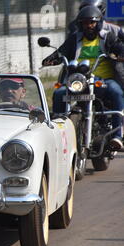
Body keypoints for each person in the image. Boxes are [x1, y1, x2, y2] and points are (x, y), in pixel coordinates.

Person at [43, 6, 124, 151]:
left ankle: (117, 136)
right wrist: (51, 59)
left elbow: (119, 48)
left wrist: (120, 54)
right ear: (80, 24)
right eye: (86, 23)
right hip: (78, 80)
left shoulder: (107, 36)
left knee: (116, 91)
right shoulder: (75, 38)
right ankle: (56, 135)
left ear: (98, 23)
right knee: (59, 93)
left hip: (102, 81)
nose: (89, 26)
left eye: (92, 22)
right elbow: (61, 52)